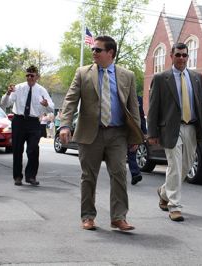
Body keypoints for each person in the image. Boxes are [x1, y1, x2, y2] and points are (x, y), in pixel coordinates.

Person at [59, 35, 143, 231]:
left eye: (98, 50)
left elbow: (133, 107)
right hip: (91, 133)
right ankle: (88, 216)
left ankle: (118, 217)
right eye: (93, 50)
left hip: (117, 133)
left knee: (120, 174)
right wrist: (65, 125)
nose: (93, 53)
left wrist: (136, 136)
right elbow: (70, 100)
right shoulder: (82, 73)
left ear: (110, 53)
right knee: (89, 176)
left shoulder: (127, 75)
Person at [147, 42, 202, 222]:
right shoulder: (161, 78)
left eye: (185, 55)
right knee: (175, 166)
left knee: (185, 166)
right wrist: (152, 133)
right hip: (170, 129)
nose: (181, 58)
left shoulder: (196, 77)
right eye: (178, 55)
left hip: (192, 127)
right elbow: (154, 108)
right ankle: (174, 206)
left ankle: (163, 192)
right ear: (171, 56)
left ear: (188, 56)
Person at [0, 65, 54, 186]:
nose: (29, 77)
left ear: (37, 77)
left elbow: (51, 106)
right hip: (19, 120)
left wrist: (46, 104)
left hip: (34, 121)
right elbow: (5, 103)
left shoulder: (42, 90)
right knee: (17, 149)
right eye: (27, 75)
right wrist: (8, 93)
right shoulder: (18, 88)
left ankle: (31, 176)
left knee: (33, 149)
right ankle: (17, 177)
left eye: (32, 75)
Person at [128, 95, 147, 185]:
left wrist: (144, 133)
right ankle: (134, 173)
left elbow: (142, 116)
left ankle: (135, 174)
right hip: (121, 130)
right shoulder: (121, 95)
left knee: (132, 153)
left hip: (134, 130)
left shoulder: (138, 99)